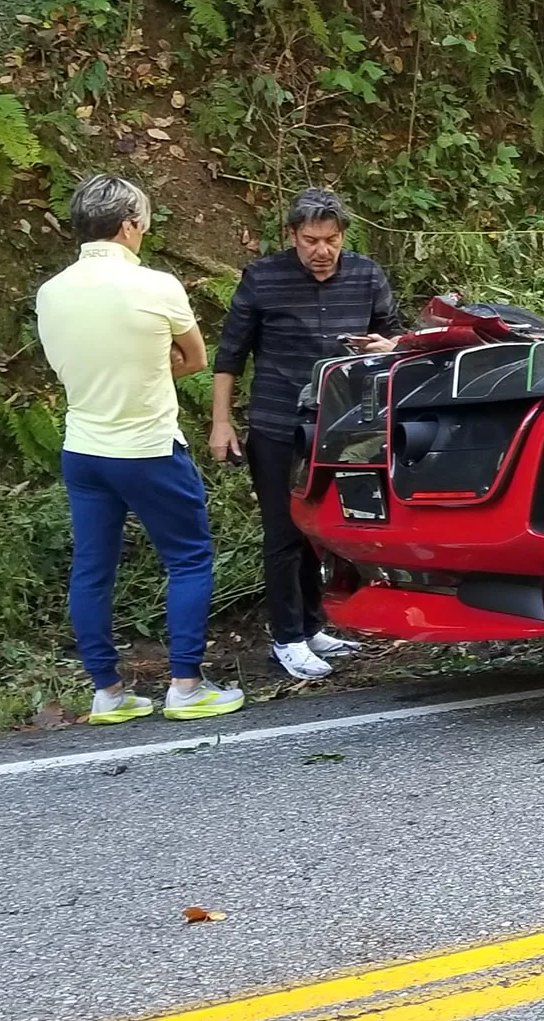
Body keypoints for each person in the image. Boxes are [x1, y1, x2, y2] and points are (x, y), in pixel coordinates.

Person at [36, 175, 244, 724]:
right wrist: (150, 366)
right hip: (148, 446)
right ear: (129, 225)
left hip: (82, 448)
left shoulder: (51, 291)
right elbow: (195, 359)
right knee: (189, 558)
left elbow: (63, 366)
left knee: (91, 569)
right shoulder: (157, 286)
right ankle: (186, 685)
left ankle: (107, 693)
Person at [211, 189, 403, 680]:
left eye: (331, 240)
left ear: (344, 237)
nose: (322, 251)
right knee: (282, 530)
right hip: (277, 423)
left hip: (341, 424)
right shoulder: (263, 277)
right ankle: (286, 638)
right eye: (310, 240)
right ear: (292, 236)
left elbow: (396, 336)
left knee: (322, 528)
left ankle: (313, 625)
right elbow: (230, 355)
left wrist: (389, 344)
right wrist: (221, 421)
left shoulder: (366, 275)